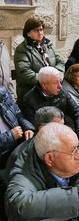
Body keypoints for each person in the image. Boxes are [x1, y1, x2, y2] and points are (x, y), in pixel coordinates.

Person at [0, 86, 35, 220]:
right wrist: (10, 136)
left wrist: (28, 127)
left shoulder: (3, 92)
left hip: (16, 148)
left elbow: (19, 114)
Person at [19, 66, 79, 137]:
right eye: (55, 83)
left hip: (69, 131)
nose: (60, 86)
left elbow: (77, 112)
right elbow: (36, 128)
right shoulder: (28, 101)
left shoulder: (62, 92)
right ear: (44, 85)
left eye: (60, 81)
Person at [14, 17, 65, 102]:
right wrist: (47, 82)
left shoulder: (48, 45)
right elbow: (25, 73)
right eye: (36, 30)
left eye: (41, 29)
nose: (40, 33)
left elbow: (61, 62)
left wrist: (57, 77)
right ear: (28, 33)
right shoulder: (22, 50)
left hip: (52, 88)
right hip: (32, 92)